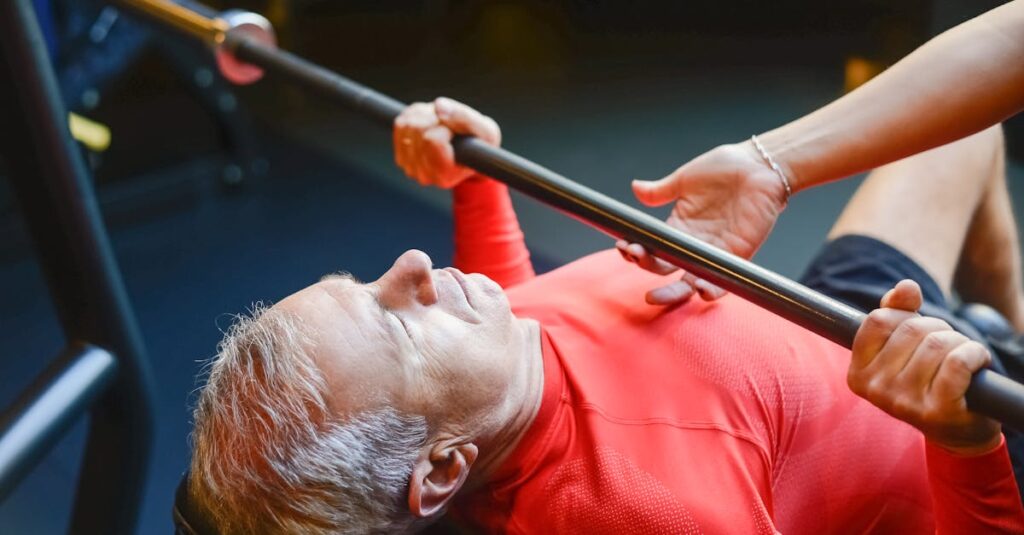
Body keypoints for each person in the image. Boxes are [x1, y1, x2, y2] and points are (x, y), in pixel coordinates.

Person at [188, 98, 1024, 534]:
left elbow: (524, 308)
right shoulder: (660, 517)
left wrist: (476, 180)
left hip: (838, 326)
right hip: (937, 427)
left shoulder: (491, 379)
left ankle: (1004, 332)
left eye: (366, 283)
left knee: (966, 133)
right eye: (398, 323)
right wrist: (964, 441)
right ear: (443, 470)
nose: (410, 266)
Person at [617, 0, 1024, 310]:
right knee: (969, 138)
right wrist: (769, 166)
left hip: (929, 401)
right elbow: (1011, 42)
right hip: (866, 348)